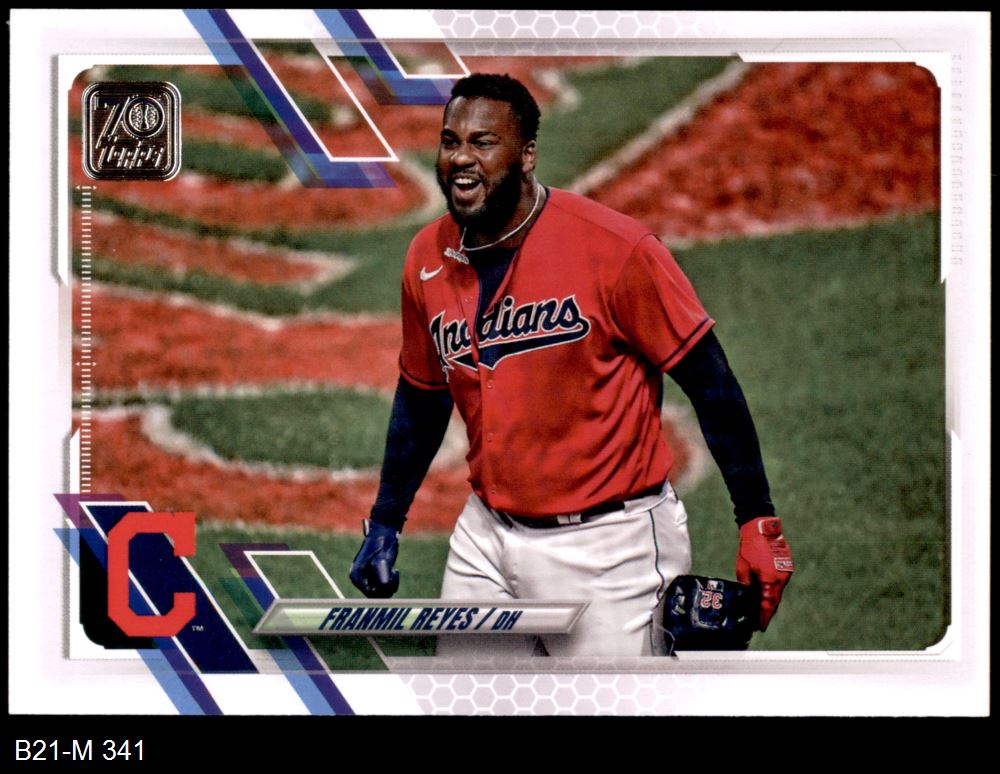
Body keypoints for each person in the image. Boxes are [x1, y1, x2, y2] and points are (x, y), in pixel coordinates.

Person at [350, 73, 794, 658]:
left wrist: (757, 519)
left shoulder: (615, 249)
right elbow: (422, 394)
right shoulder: (426, 258)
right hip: (486, 540)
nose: (460, 158)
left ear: (527, 154)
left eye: (483, 142)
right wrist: (387, 517)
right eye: (450, 141)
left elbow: (711, 383)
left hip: (610, 551)